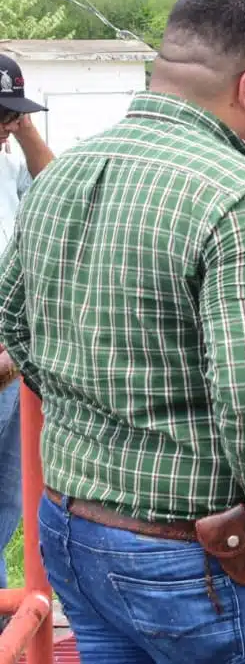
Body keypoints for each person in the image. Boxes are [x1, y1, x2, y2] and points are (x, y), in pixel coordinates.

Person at [0, 0, 245, 663]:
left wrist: (109, 407)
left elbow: (15, 321)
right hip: (203, 557)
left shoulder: (64, 174)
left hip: (76, 534)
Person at [0, 55, 54, 618]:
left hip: (10, 363)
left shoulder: (8, 157)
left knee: (6, 509)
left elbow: (55, 183)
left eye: (10, 116)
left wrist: (24, 126)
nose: (5, 127)